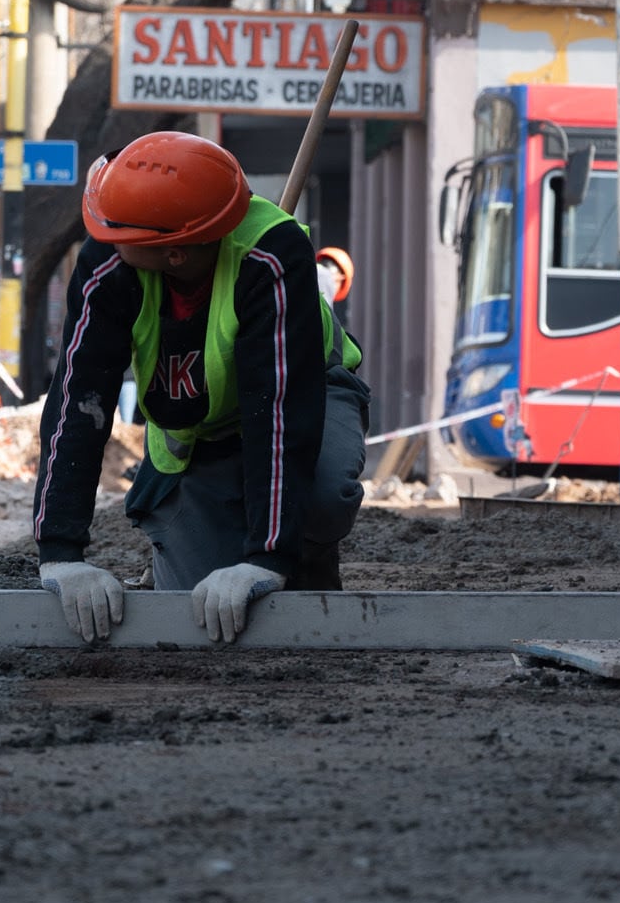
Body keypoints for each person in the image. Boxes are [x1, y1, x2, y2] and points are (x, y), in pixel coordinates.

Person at [30, 131, 369, 645]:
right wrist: (60, 553)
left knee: (316, 500)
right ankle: (200, 543)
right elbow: (80, 400)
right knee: (199, 615)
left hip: (307, 396)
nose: (108, 237)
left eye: (124, 232)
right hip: (193, 431)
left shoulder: (271, 257)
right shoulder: (108, 263)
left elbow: (278, 407)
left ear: (177, 252)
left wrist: (267, 557)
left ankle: (305, 550)